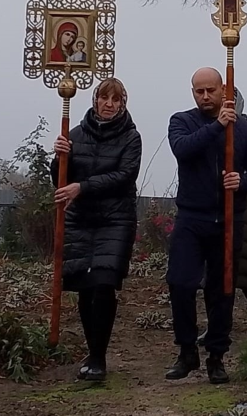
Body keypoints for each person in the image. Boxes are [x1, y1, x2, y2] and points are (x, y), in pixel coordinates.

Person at [165, 68, 247, 384]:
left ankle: (216, 356)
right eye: (199, 91)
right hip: (192, 217)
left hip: (228, 218)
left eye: (211, 90)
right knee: (181, 282)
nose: (205, 97)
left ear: (223, 89)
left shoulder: (246, 130)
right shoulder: (181, 121)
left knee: (222, 288)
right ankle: (186, 351)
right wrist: (217, 126)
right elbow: (183, 149)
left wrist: (243, 180)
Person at [51, 78, 142, 381]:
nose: (109, 105)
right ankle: (91, 352)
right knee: (85, 289)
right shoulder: (75, 135)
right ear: (95, 100)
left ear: (122, 104)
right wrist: (59, 157)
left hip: (115, 220)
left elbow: (125, 175)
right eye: (105, 98)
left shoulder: (131, 137)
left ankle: (99, 358)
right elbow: (61, 182)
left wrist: (83, 186)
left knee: (103, 285)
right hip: (81, 221)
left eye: (115, 100)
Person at [198, 89, 247, 345]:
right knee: (212, 275)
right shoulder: (208, 127)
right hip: (213, 206)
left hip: (243, 203)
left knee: (244, 267)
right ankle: (214, 325)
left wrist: (242, 179)